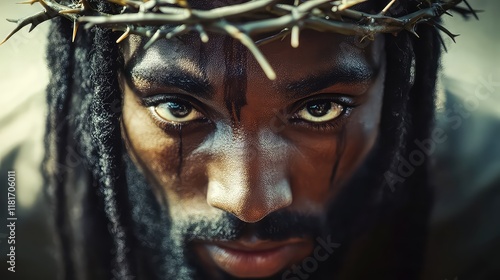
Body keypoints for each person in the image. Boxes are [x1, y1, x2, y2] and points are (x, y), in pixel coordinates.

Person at [5, 0, 492, 279]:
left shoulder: (485, 211)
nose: (248, 203)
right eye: (178, 107)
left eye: (319, 108)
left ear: (400, 86)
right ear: (102, 88)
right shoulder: (13, 213)